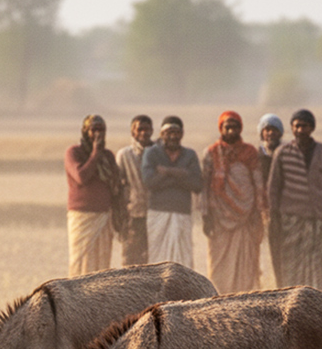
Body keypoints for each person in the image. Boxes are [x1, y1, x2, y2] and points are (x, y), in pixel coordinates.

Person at [268, 108, 322, 290]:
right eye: (297, 126)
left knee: (316, 261)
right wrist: (273, 215)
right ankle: (290, 299)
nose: (300, 130)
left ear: (312, 128)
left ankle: (316, 299)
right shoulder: (282, 152)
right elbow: (274, 187)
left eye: (305, 126)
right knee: (290, 260)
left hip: (317, 217)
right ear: (291, 128)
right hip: (290, 217)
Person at [201, 111, 266, 293]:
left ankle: (245, 299)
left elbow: (258, 183)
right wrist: (206, 215)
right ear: (221, 128)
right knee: (218, 265)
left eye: (235, 127)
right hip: (219, 219)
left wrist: (257, 212)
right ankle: (219, 300)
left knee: (246, 266)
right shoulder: (211, 153)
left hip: (247, 219)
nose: (231, 130)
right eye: (227, 127)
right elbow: (205, 187)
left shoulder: (250, 152)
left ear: (240, 128)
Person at [141, 116, 203, 268]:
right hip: (158, 212)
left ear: (182, 134)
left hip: (182, 212)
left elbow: (197, 184)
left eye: (176, 132)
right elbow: (149, 182)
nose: (173, 136)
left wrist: (166, 172)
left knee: (183, 259)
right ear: (162, 134)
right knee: (157, 258)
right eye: (169, 132)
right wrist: (181, 174)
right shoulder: (151, 153)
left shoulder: (190, 155)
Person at [65, 114, 119, 276]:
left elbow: (115, 184)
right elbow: (81, 177)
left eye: (101, 130)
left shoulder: (108, 156)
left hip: (103, 216)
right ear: (85, 131)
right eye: (93, 129)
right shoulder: (74, 152)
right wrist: (95, 153)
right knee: (80, 261)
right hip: (82, 217)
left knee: (101, 264)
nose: (98, 134)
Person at [114, 115, 154, 265]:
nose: (144, 133)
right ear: (133, 132)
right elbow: (118, 187)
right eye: (140, 129)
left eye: (147, 129)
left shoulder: (158, 152)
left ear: (152, 131)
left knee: (154, 258)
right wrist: (120, 215)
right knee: (131, 258)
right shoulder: (124, 155)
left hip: (156, 213)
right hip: (133, 213)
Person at [257, 113, 284, 282]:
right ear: (261, 133)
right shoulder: (255, 155)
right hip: (259, 211)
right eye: (267, 130)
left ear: (280, 133)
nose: (270, 133)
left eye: (274, 130)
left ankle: (282, 283)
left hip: (281, 211)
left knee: (280, 253)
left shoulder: (287, 153)